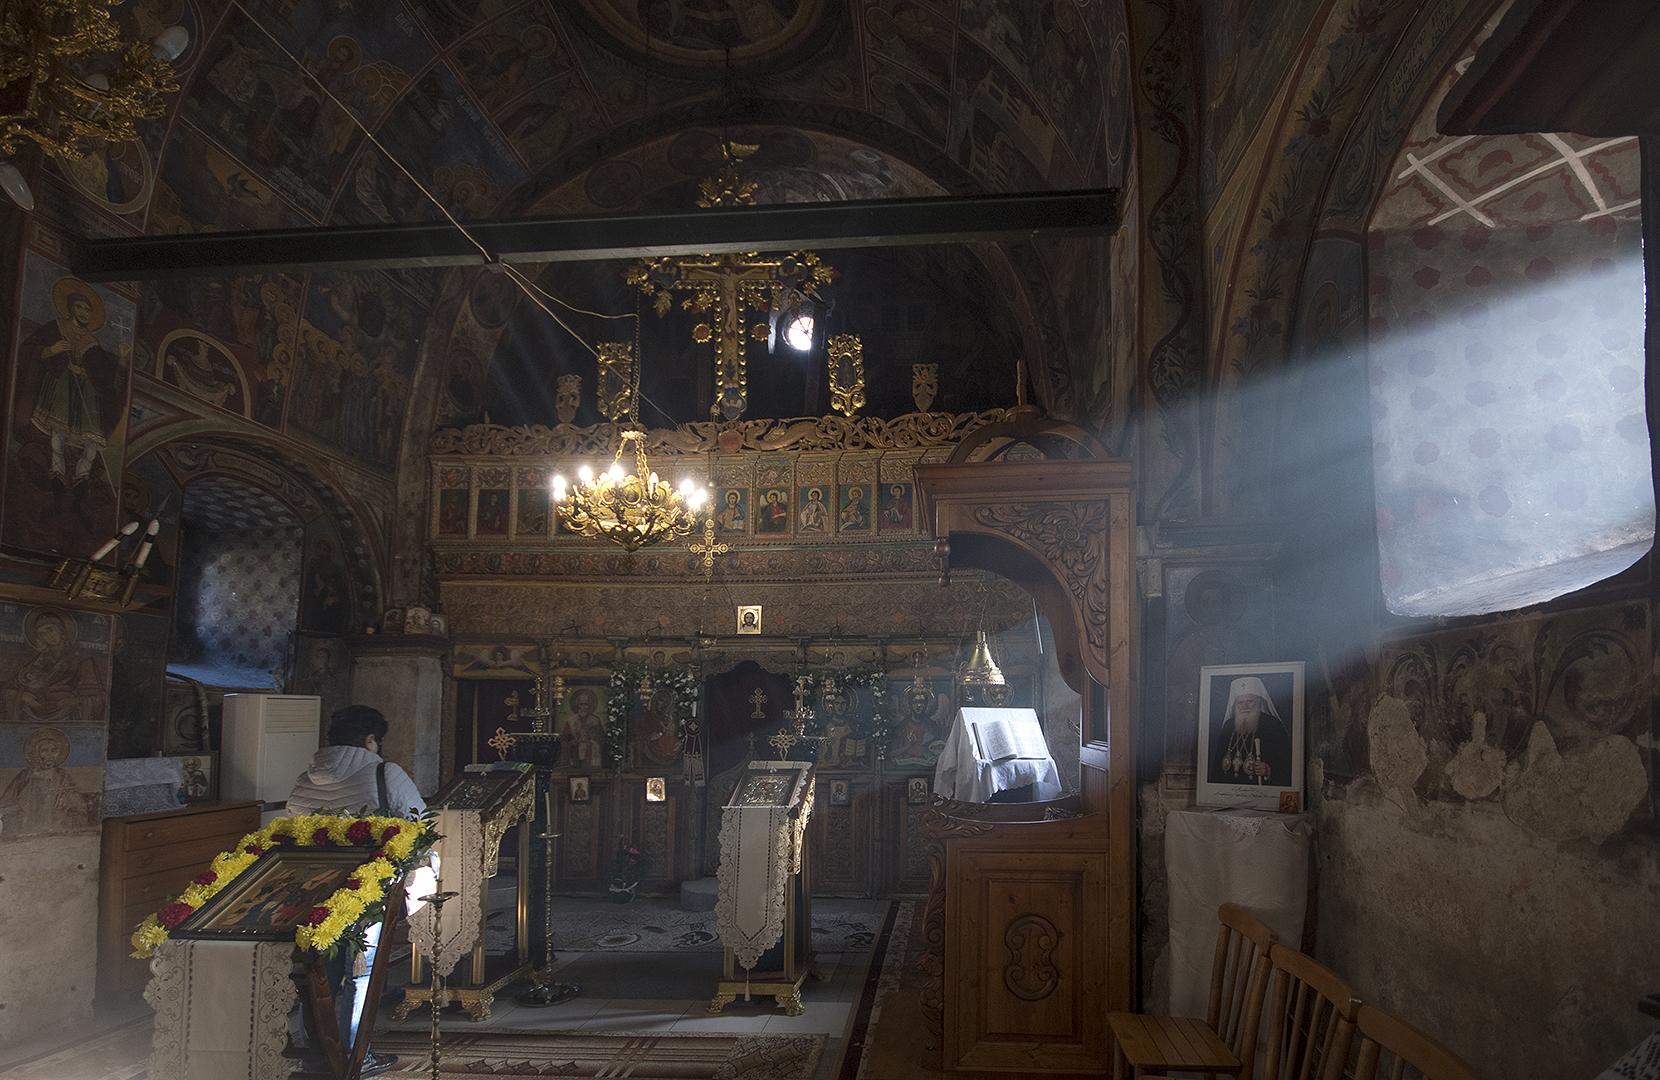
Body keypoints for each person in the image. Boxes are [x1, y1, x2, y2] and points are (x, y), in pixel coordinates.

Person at [284, 705, 424, 1077]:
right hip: (367, 888)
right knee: (362, 972)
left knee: (319, 971)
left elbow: (293, 827)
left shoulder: (306, 777)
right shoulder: (384, 772)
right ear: (370, 740)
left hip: (315, 889)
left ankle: (315, 1052)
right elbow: (419, 822)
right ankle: (354, 1054)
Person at [1207, 676, 1293, 787]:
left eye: (1250, 701)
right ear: (1235, 705)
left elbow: (1286, 764)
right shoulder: (1229, 725)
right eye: (1240, 702)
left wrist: (1268, 770)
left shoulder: (1273, 725)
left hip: (1260, 791)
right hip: (1229, 792)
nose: (1245, 707)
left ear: (1259, 702)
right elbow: (1218, 766)